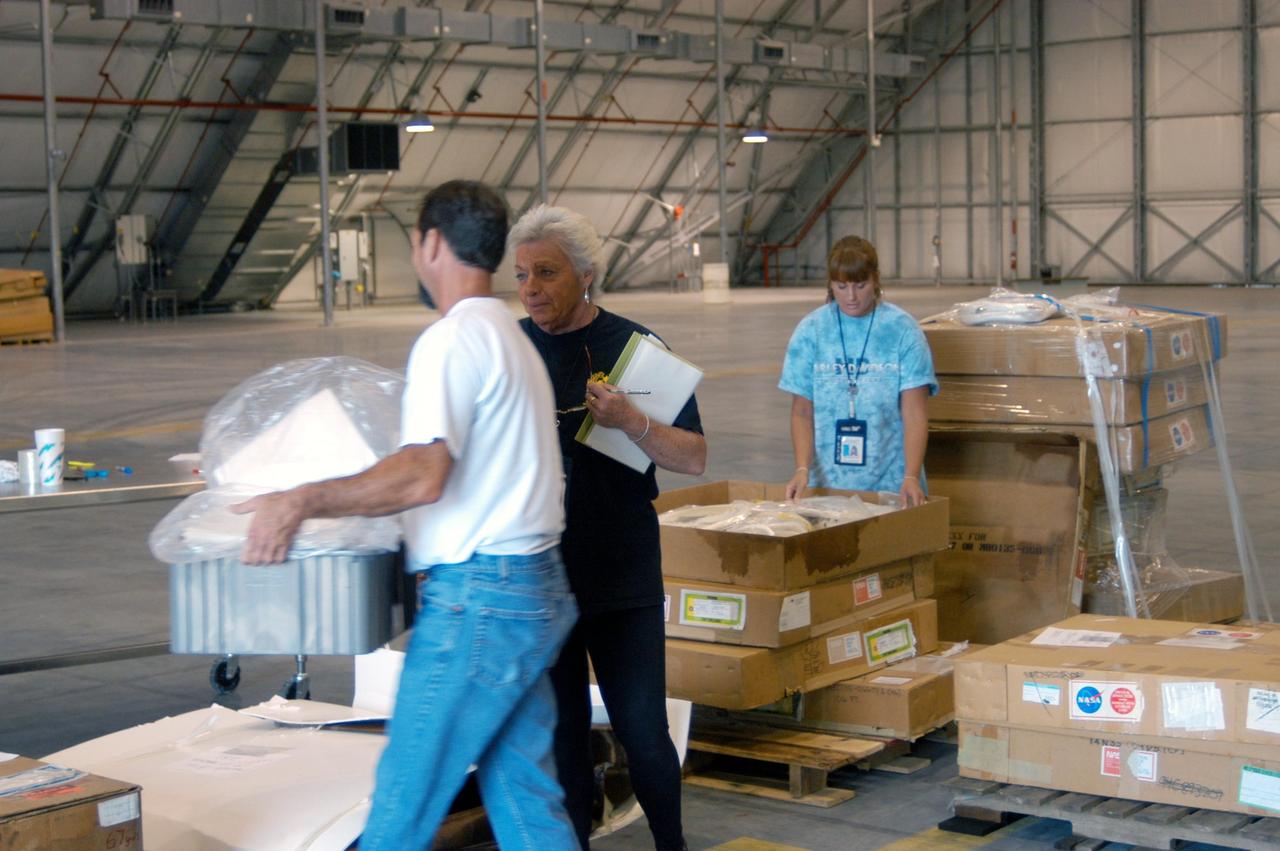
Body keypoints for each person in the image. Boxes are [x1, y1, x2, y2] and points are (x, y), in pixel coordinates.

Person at [231, 181, 579, 851]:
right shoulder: (511, 340)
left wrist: (300, 498)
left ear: (430, 244)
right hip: (531, 591)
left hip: (481, 600)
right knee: (526, 798)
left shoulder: (451, 341)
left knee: (404, 797)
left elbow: (423, 473)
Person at [510, 204, 706, 851]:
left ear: (586, 274)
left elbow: (692, 455)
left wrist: (632, 420)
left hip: (622, 572)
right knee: (561, 738)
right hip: (544, 578)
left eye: (547, 271)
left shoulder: (635, 348)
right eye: (521, 275)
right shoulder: (509, 350)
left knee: (644, 731)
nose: (532, 287)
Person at [780, 235, 937, 507]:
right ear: (830, 284)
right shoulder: (811, 331)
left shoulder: (903, 331)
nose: (851, 297)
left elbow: (914, 412)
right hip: (827, 487)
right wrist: (801, 468)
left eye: (860, 285)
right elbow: (802, 412)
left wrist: (910, 475)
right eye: (841, 286)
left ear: (875, 280)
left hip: (892, 483)